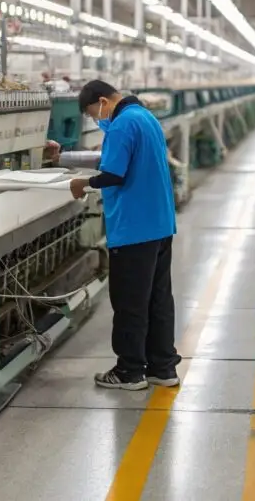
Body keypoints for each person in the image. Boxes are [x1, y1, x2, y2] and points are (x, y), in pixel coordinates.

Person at [63, 79, 182, 389]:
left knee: (130, 302)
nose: (95, 119)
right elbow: (121, 146)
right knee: (157, 299)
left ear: (102, 101)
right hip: (159, 224)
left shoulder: (121, 126)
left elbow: (113, 173)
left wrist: (82, 184)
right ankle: (163, 367)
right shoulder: (144, 118)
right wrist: (61, 155)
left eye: (92, 113)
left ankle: (129, 371)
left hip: (133, 228)